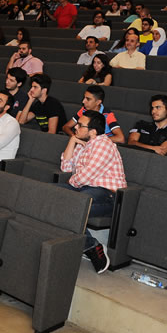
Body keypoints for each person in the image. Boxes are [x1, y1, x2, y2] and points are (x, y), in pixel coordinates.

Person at [59, 110, 126, 273]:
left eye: (80, 125)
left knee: (72, 205)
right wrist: (72, 141)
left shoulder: (103, 145)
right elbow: (65, 168)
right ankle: (89, 245)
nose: (75, 127)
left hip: (107, 195)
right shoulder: (83, 143)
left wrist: (71, 182)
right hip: (85, 189)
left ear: (93, 131)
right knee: (48, 193)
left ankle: (91, 248)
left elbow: (84, 177)